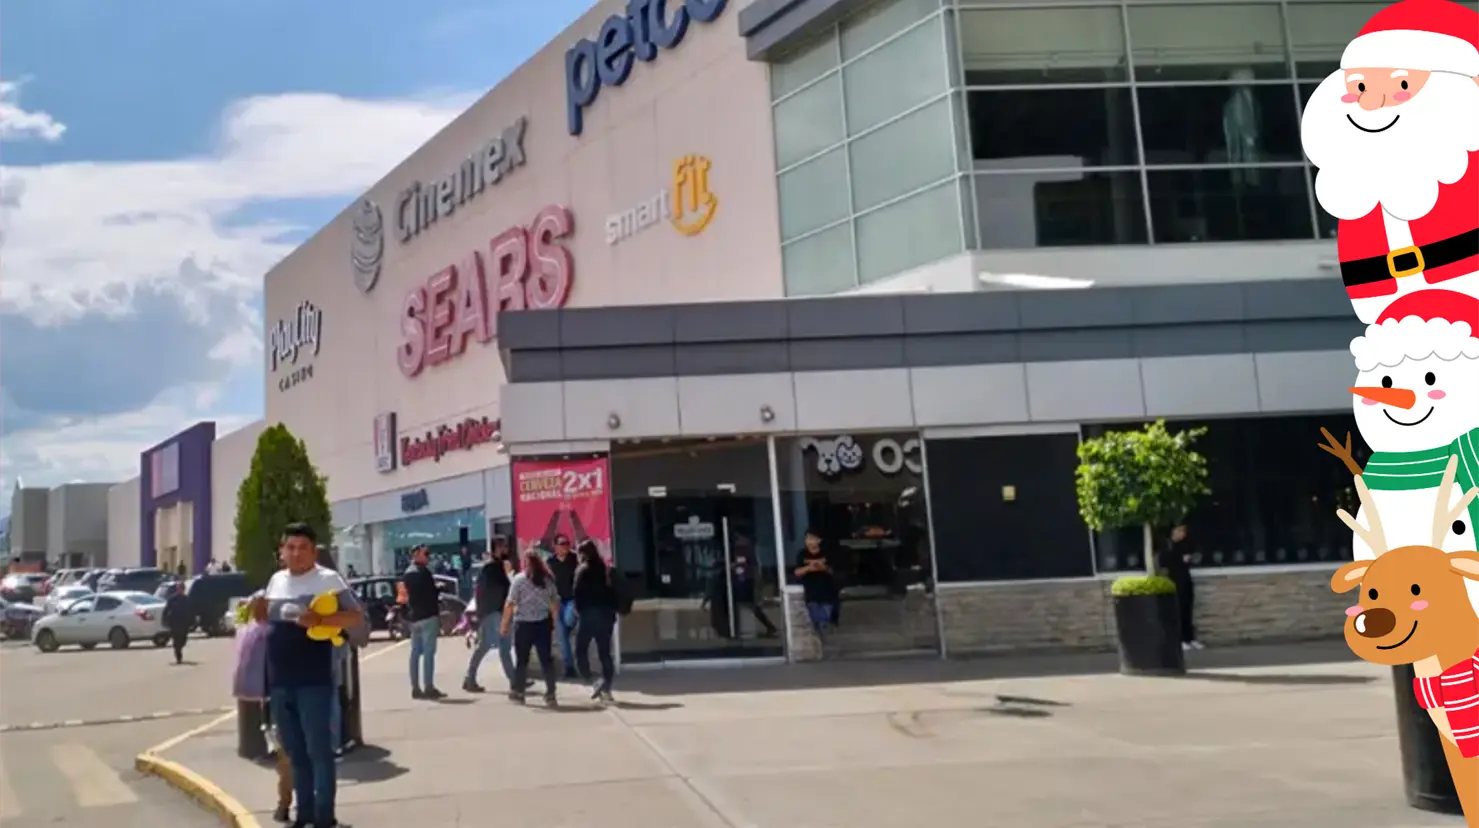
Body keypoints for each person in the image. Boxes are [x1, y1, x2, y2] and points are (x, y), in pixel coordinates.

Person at [249, 522, 364, 828]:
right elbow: (265, 622)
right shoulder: (275, 581)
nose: (296, 553)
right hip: (280, 681)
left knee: (319, 751)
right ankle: (305, 814)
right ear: (282, 551)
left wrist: (321, 618)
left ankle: (325, 817)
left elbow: (355, 616)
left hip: (314, 681)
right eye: (290, 547)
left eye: (302, 548)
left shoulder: (328, 579)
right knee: (294, 753)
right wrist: (258, 610)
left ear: (314, 551)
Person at [503, 549, 560, 706]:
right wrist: (554, 622)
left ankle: (519, 692)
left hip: (523, 624)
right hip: (542, 624)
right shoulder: (547, 580)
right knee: (546, 660)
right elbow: (555, 602)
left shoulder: (519, 580)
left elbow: (510, 603)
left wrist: (504, 625)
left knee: (522, 660)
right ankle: (550, 694)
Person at [463, 539, 520, 693]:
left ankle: (514, 680)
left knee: (496, 646)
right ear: (497, 549)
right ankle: (471, 678)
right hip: (494, 612)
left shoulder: (497, 567)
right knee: (493, 645)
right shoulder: (492, 567)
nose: (507, 549)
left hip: (496, 612)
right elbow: (490, 591)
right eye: (504, 546)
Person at [572, 540, 618, 703]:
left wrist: (578, 612)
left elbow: (577, 594)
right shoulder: (605, 569)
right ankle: (607, 687)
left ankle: (593, 681)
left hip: (588, 615)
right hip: (606, 614)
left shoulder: (582, 570)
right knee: (605, 653)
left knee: (580, 650)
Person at [401, 545, 444, 700]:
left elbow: (403, 597)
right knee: (428, 653)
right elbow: (430, 594)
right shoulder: (424, 573)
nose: (428, 557)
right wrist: (438, 588)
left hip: (414, 618)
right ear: (416, 554)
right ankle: (428, 687)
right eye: (426, 554)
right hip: (428, 616)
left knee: (415, 653)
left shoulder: (406, 574)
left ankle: (415, 687)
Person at [1159, 524, 1202, 650]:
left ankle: (1190, 638)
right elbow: (1163, 562)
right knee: (1178, 611)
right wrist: (1180, 559)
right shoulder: (1167, 546)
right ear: (1173, 532)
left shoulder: (1185, 544)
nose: (1182, 533)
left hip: (1186, 579)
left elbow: (1194, 553)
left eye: (1184, 531)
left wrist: (1190, 558)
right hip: (1175, 580)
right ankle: (1180, 639)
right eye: (1179, 531)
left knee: (1188, 610)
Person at [794, 530, 839, 639]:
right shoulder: (802, 554)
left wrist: (822, 567)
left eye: (813, 539)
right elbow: (797, 572)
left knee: (825, 618)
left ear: (819, 540)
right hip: (810, 591)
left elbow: (833, 571)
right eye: (808, 539)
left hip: (826, 590)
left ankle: (824, 639)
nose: (810, 542)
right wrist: (809, 568)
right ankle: (817, 640)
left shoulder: (827, 554)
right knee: (814, 619)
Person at [546, 534, 580, 678]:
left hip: (572, 600)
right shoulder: (550, 562)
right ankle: (569, 667)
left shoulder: (574, 559)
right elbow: (547, 582)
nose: (566, 546)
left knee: (567, 621)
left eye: (567, 543)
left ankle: (572, 624)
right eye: (562, 543)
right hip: (557, 601)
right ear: (555, 546)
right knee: (561, 636)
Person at [162, 582, 191, 665]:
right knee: (176, 640)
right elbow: (166, 610)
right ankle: (178, 656)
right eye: (179, 589)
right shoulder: (172, 599)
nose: (180, 590)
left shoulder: (186, 599)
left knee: (183, 640)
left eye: (182, 589)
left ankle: (179, 648)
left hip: (184, 623)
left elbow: (190, 610)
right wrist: (164, 620)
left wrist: (191, 621)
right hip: (174, 622)